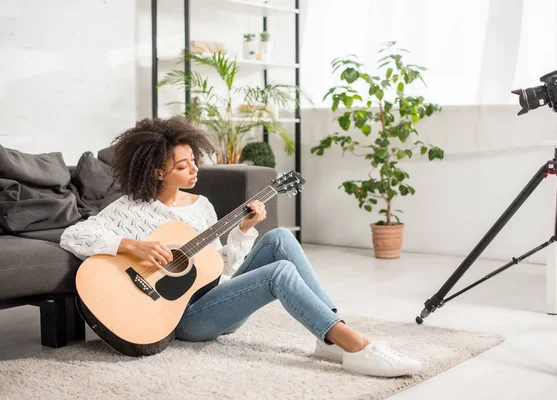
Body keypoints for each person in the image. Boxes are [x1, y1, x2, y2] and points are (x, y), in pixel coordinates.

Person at [60, 117, 421, 378]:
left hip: (213, 301)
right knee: (279, 273)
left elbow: (220, 271)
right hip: (182, 319)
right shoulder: (130, 208)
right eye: (182, 165)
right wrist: (132, 246)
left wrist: (244, 232)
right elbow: (73, 236)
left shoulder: (201, 207)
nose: (194, 170)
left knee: (279, 239)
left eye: (194, 161)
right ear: (156, 172)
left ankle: (329, 335)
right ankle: (352, 345)